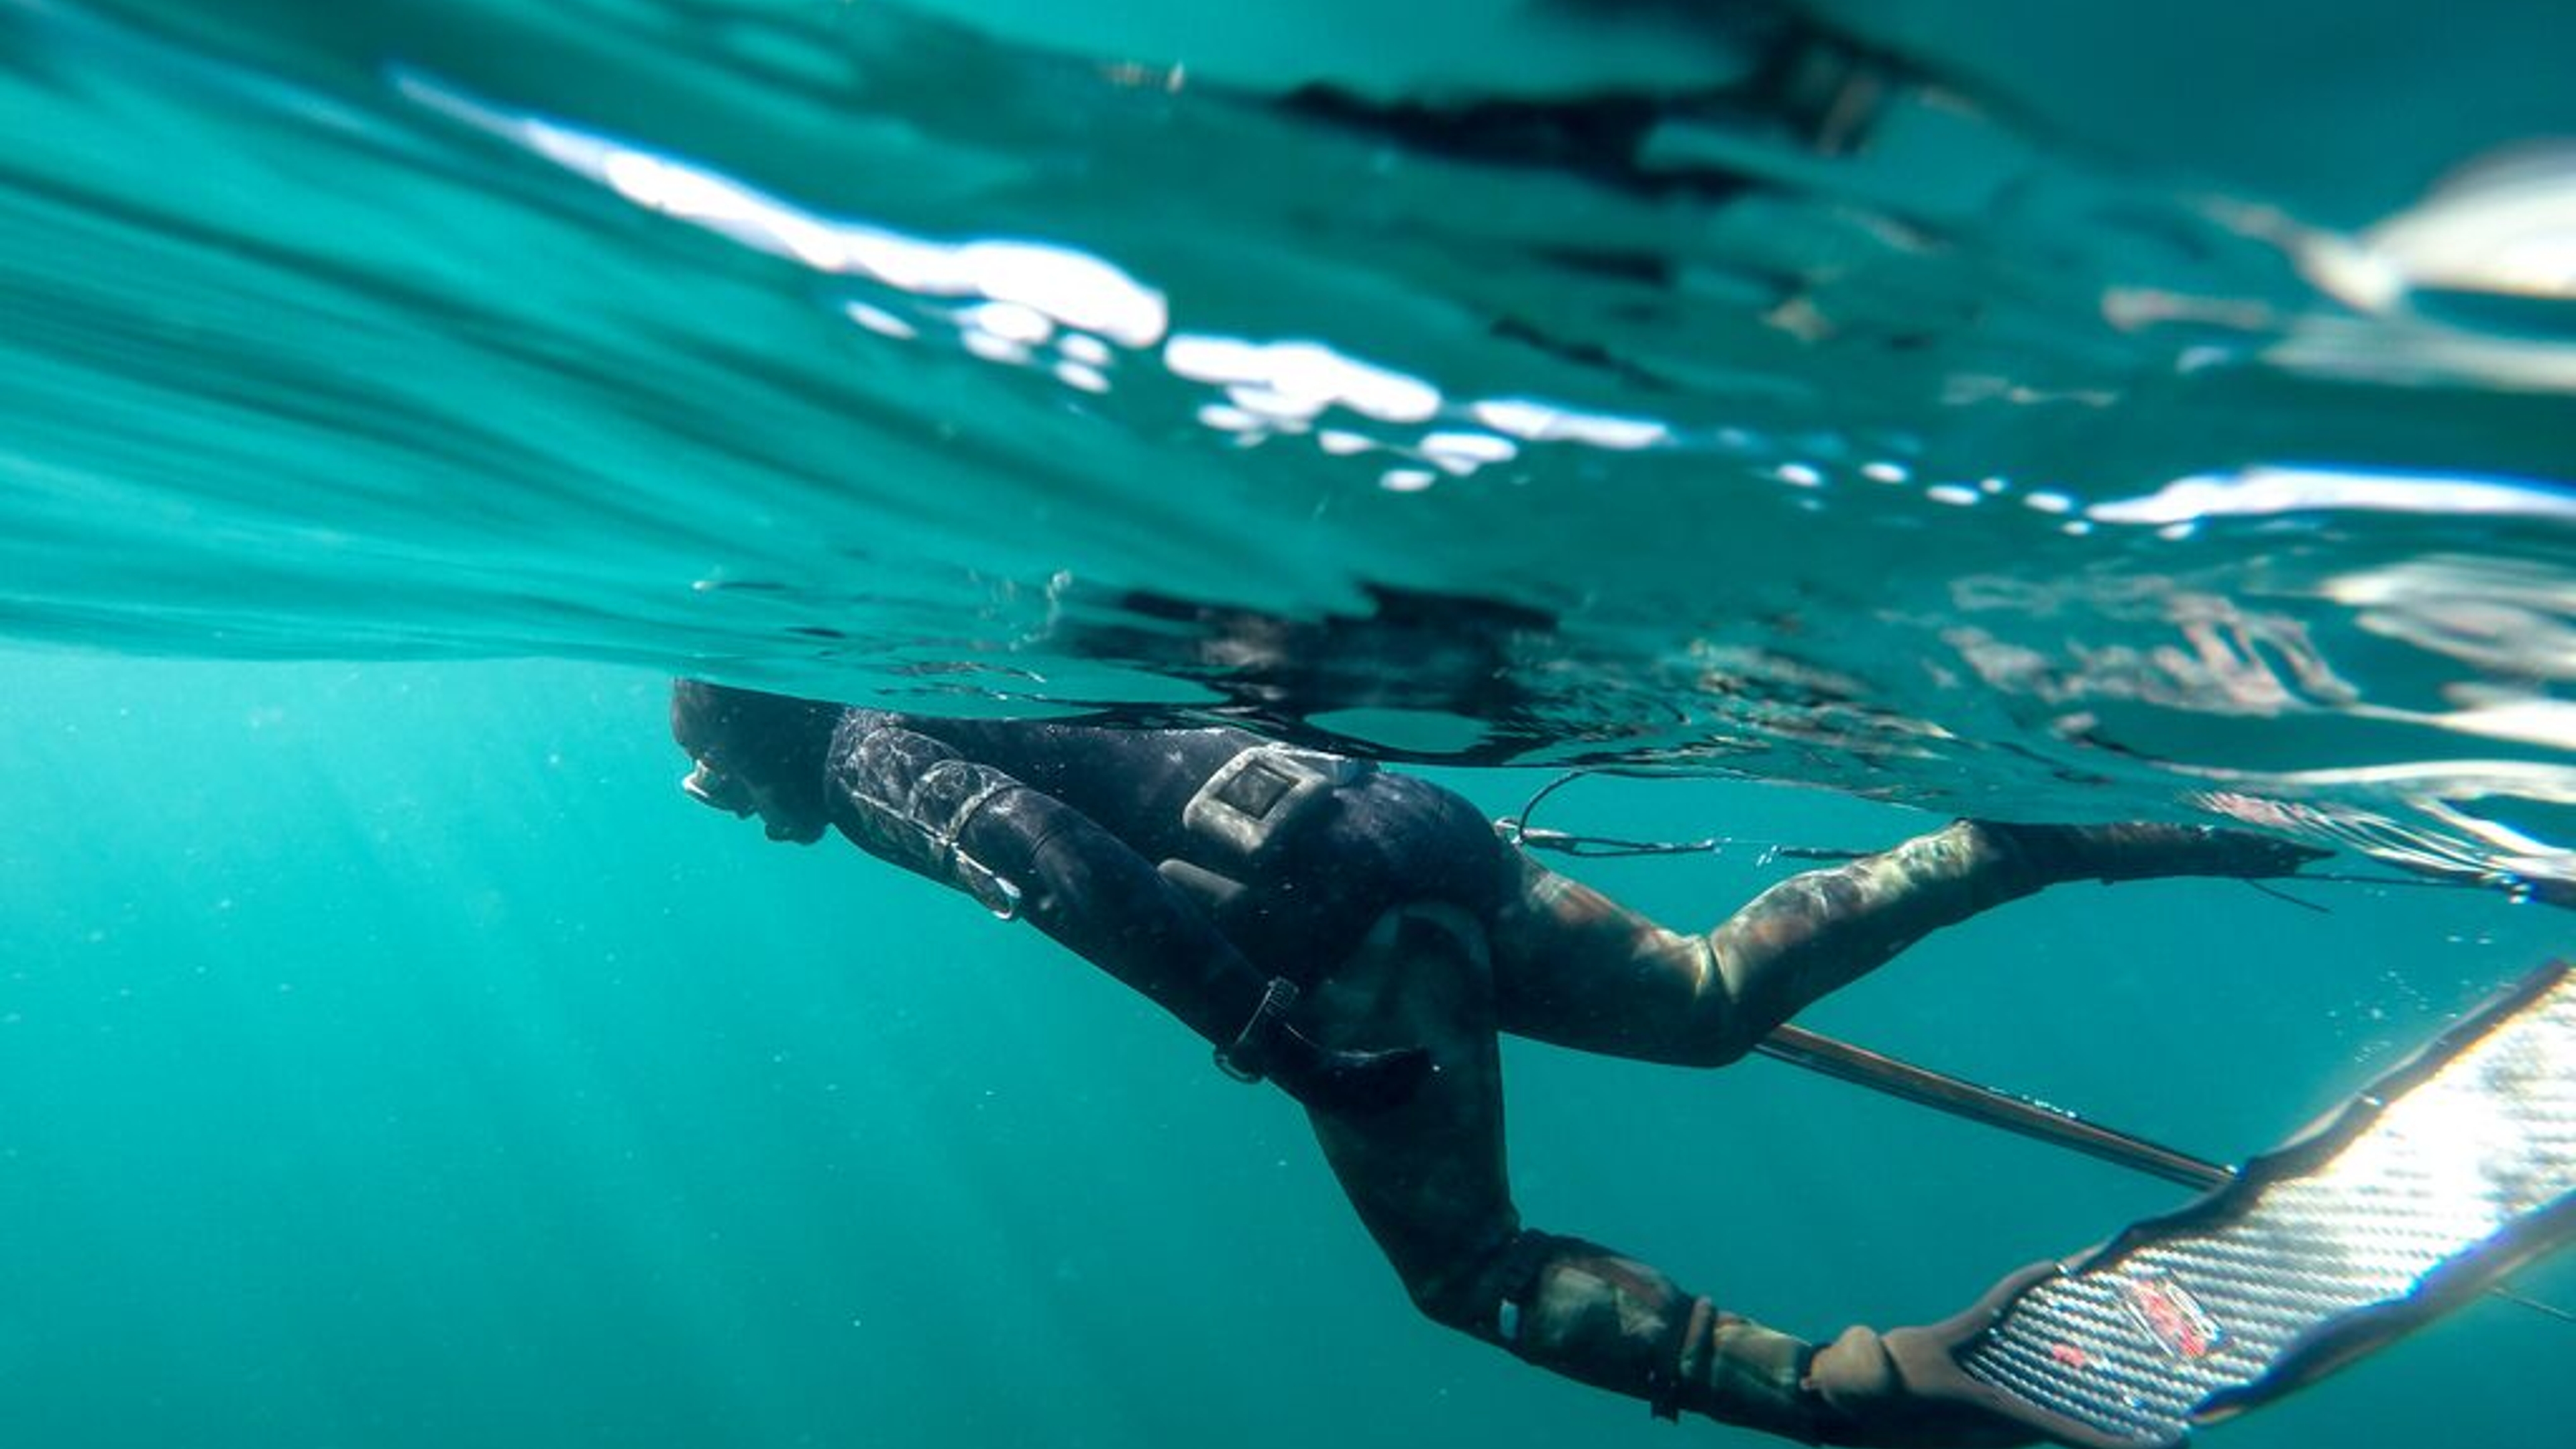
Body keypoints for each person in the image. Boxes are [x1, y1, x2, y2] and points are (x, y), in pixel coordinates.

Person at [669, 679, 2324, 1446]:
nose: (718, 803)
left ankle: (1856, 1391)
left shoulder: (864, 743)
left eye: (706, 766)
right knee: (1702, 998)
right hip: (1400, 819)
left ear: (750, 730)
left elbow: (1047, 859)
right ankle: (2018, 846)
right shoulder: (948, 659)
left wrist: (1266, 1032)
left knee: (1465, 1270)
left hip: (1333, 922)